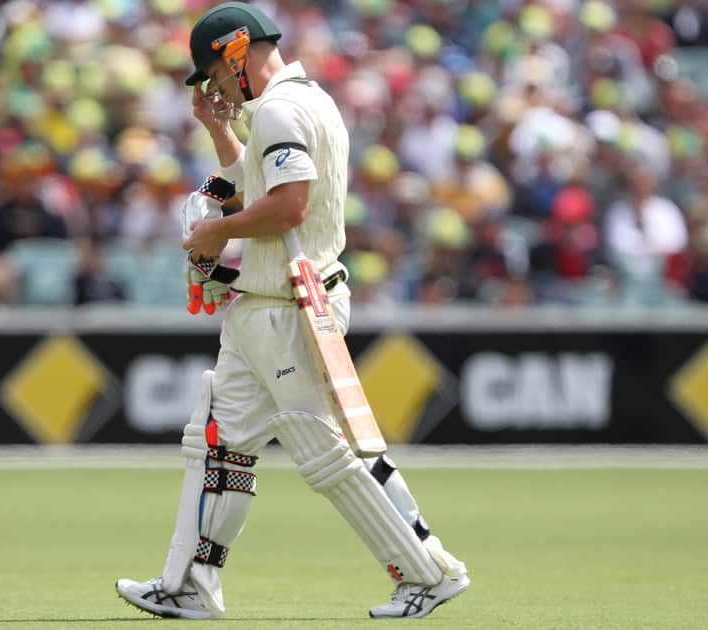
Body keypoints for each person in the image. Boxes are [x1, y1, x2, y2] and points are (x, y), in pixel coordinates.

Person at [116, 2, 469, 620]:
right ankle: (189, 584)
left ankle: (429, 571)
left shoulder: (280, 109)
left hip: (289, 305)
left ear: (235, 51)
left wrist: (214, 232)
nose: (216, 87)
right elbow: (258, 185)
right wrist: (220, 130)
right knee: (218, 442)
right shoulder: (301, 101)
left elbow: (287, 207)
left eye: (214, 73)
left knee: (325, 452)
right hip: (271, 302)